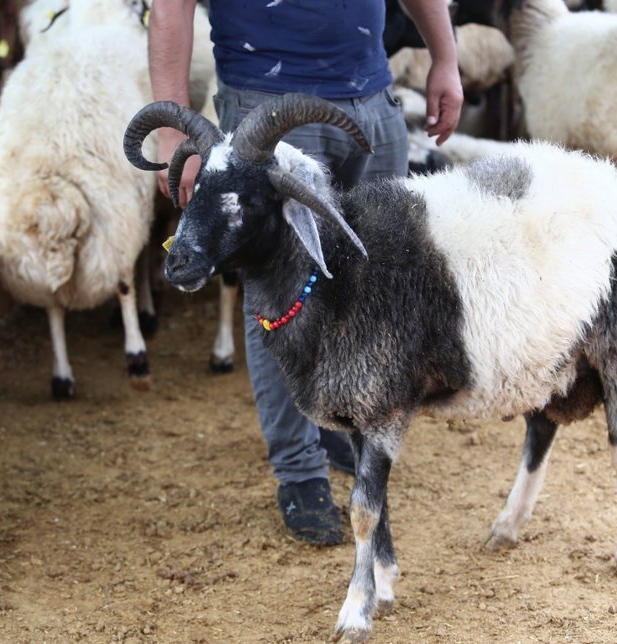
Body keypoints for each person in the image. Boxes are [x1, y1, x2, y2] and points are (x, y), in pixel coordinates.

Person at [148, 0, 463, 544]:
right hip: (265, 108)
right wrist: (174, 130)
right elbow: (171, 7)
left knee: (371, 286)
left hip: (370, 97)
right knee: (279, 293)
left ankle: (347, 420)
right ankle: (299, 471)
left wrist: (445, 57)